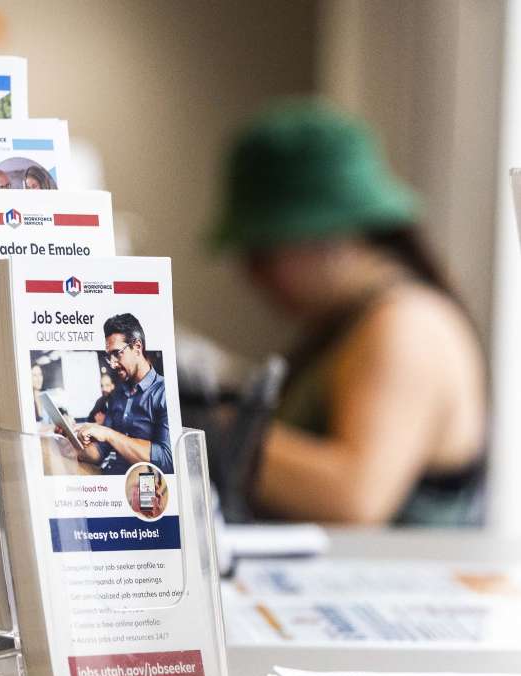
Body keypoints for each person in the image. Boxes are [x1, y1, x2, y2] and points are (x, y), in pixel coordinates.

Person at [210, 100, 486, 526]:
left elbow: (354, 499)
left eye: (263, 253)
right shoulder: (349, 323)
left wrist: (209, 427)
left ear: (328, 234)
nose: (253, 276)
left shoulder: (404, 325)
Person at [74, 314, 173, 474]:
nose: (112, 363)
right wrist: (76, 441)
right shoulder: (118, 395)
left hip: (140, 489)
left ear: (137, 347)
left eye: (117, 353)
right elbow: (100, 451)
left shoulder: (163, 393)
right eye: (109, 356)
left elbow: (167, 459)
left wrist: (108, 434)